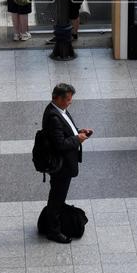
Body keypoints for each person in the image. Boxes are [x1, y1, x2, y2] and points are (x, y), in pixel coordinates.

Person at [41, 83, 92, 244]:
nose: (70, 102)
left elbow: (67, 130)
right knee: (57, 196)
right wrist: (77, 139)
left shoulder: (59, 110)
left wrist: (78, 131)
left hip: (64, 164)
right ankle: (53, 231)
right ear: (57, 98)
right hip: (61, 166)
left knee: (58, 195)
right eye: (68, 99)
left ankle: (54, 220)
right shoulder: (53, 117)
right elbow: (60, 144)